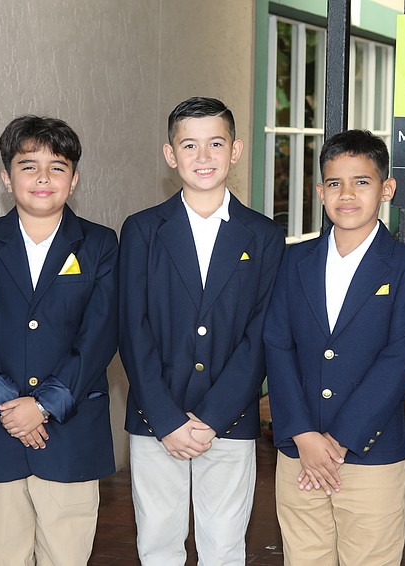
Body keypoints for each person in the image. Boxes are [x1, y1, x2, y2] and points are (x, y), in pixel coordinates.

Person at [119, 96, 285, 565]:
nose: (204, 157)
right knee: (157, 542)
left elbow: (261, 335)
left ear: (235, 150)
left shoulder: (265, 235)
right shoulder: (142, 230)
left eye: (216, 143)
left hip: (229, 420)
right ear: (170, 155)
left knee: (225, 545)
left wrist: (214, 416)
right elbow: (133, 329)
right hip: (156, 418)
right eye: (189, 145)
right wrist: (167, 419)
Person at [0, 115, 117, 565]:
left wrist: (43, 404)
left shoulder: (100, 245)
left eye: (57, 167)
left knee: (66, 555)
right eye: (28, 166)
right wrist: (9, 404)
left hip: (71, 432)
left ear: (74, 179)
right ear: (7, 177)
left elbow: (100, 335)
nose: (43, 178)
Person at [264, 129, 405, 565]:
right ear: (320, 192)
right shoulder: (294, 260)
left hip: (369, 451)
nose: (347, 194)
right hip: (299, 451)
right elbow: (277, 346)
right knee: (305, 556)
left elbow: (399, 359)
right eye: (335, 183)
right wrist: (303, 434)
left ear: (386, 189)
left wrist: (337, 441)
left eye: (362, 181)